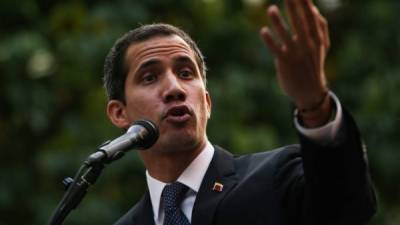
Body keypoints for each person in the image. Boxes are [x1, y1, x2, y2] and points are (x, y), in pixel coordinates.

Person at [103, 0, 376, 224]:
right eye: (149, 78)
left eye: (186, 73)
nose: (174, 88)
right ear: (119, 113)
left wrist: (314, 103)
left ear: (207, 103)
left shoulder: (276, 178)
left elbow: (346, 207)